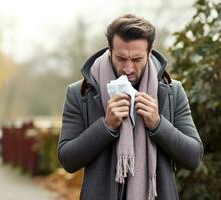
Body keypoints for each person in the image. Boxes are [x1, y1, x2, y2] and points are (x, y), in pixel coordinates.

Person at [57, 14, 203, 200]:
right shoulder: (80, 93)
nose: (128, 68)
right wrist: (106, 126)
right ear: (110, 49)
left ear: (149, 53)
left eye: (136, 59)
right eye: (121, 58)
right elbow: (67, 160)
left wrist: (158, 124)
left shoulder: (173, 92)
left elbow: (193, 157)